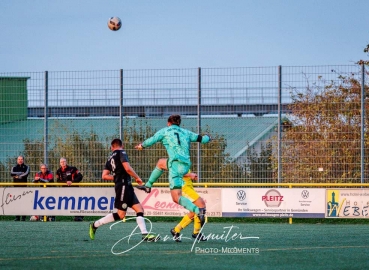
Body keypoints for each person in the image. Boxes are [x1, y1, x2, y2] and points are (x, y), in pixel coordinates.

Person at [135, 114, 211, 227]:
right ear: (178, 123)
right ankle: (148, 185)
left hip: (175, 165)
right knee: (161, 163)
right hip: (185, 165)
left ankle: (197, 211)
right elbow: (202, 139)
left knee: (176, 197)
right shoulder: (186, 132)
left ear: (168, 123)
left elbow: (153, 139)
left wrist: (142, 145)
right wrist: (208, 138)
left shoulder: (165, 131)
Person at [89, 138, 159, 242]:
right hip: (123, 187)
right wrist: (137, 177)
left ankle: (144, 234)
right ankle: (94, 225)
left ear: (111, 147)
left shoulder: (109, 158)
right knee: (121, 215)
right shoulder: (121, 152)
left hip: (126, 186)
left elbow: (104, 176)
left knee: (139, 209)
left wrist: (117, 177)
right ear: (122, 145)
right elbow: (127, 168)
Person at [152, 158, 207, 242]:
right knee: (201, 205)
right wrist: (189, 175)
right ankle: (196, 233)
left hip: (188, 187)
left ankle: (176, 230)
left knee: (193, 211)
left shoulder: (182, 155)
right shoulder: (177, 156)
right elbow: (176, 171)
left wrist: (190, 175)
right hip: (183, 187)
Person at [10, 155, 30, 221]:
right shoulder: (14, 167)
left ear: (23, 160)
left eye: (21, 159)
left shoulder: (27, 167)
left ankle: (23, 217)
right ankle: (17, 217)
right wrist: (21, 173)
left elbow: (26, 174)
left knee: (24, 202)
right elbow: (12, 173)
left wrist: (17, 176)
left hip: (24, 188)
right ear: (17, 160)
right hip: (16, 188)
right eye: (19, 159)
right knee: (16, 202)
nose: (20, 160)